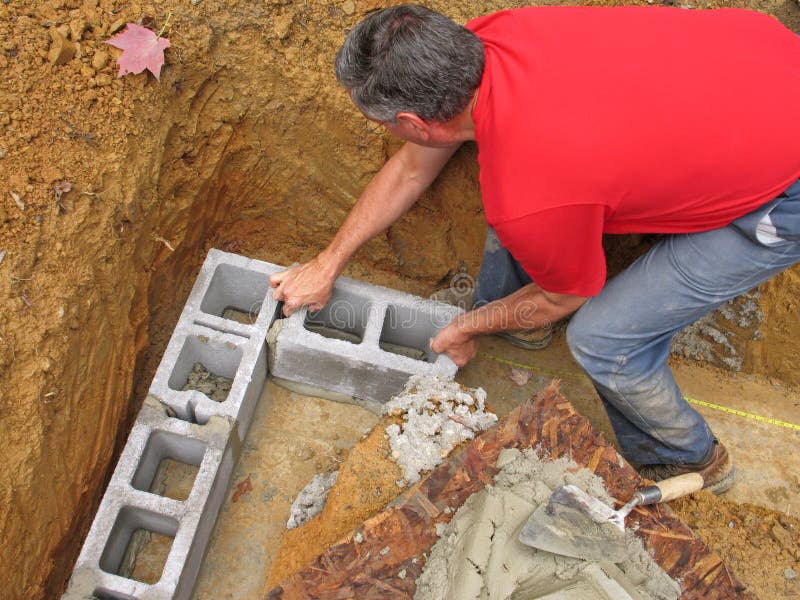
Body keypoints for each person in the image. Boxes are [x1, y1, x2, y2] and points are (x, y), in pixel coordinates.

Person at [270, 4, 800, 493]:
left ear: (413, 123)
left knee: (603, 339)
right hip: (761, 61)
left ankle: (692, 458)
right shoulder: (486, 40)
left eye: (385, 125)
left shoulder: (530, 192)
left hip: (785, 189)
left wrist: (465, 328)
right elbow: (413, 167)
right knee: (529, 209)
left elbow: (564, 296)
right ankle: (522, 324)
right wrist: (327, 262)